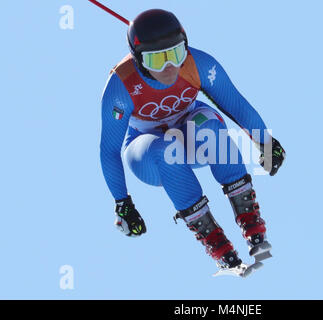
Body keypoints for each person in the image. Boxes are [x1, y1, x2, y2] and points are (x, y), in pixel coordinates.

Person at [99, 9, 286, 274]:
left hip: (191, 134)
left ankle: (252, 223)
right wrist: (123, 203)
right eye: (156, 60)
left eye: (175, 54)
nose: (169, 68)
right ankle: (216, 243)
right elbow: (109, 150)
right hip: (147, 149)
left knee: (210, 126)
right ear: (138, 60)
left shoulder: (198, 63)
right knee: (165, 151)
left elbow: (236, 103)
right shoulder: (121, 84)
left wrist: (265, 141)